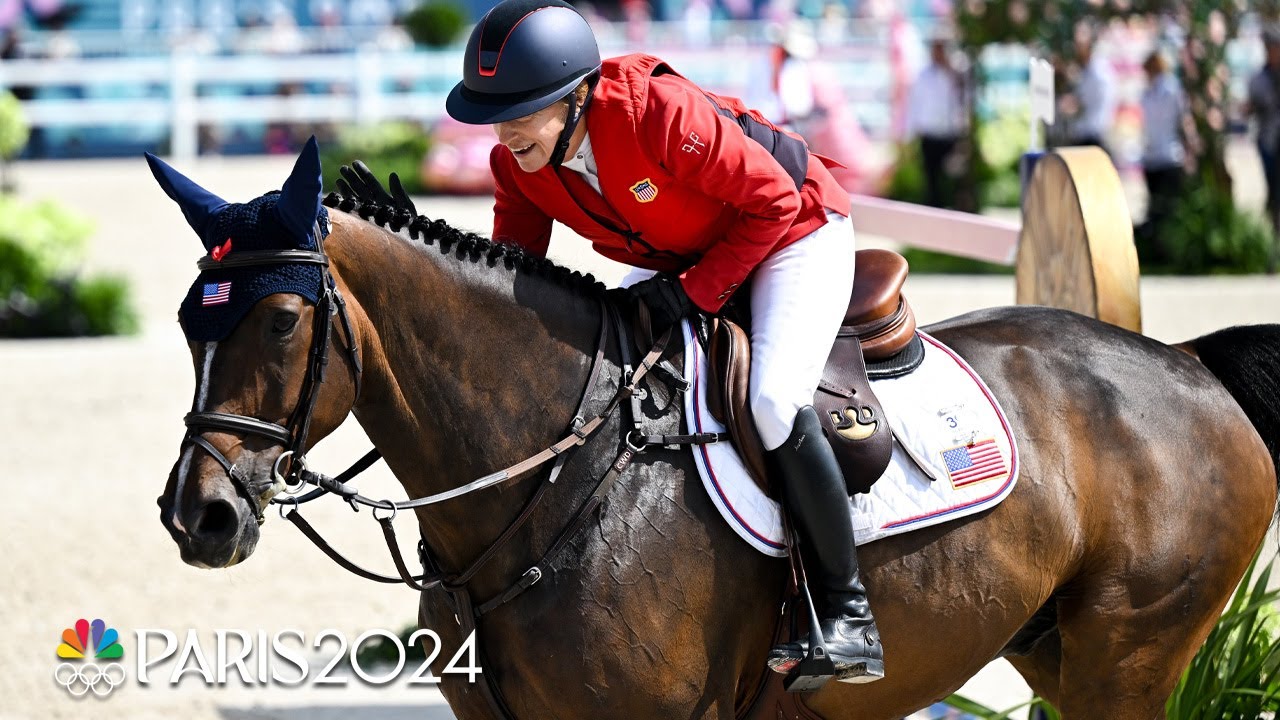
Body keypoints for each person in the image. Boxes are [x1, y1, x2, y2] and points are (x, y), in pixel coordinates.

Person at [444, 0, 882, 684]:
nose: (503, 134)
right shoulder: (521, 165)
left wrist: (696, 293)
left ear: (579, 95)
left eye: (520, 111)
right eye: (494, 116)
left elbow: (773, 201)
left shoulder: (657, 112)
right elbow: (514, 273)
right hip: (687, 245)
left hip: (796, 227)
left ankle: (847, 611)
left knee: (770, 400)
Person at [1136, 50, 1186, 264]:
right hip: (1157, 155)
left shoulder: (1170, 89)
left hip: (1167, 155)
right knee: (1159, 207)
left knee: (1166, 208)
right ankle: (1159, 252)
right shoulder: (1150, 92)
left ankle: (1167, 251)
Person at [905, 35, 965, 208]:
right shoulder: (922, 75)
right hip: (929, 135)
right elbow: (915, 104)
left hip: (949, 135)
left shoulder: (955, 73)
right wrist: (910, 134)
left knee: (952, 181)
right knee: (931, 182)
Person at [1248, 26, 1280, 237]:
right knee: (1274, 190)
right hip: (1269, 140)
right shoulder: (1260, 78)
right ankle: (1274, 237)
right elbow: (1252, 107)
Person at [1066, 29, 1116, 152]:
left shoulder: (1099, 72)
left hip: (1094, 134)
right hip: (1085, 132)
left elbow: (1088, 101)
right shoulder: (1086, 70)